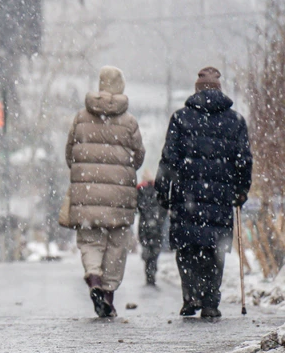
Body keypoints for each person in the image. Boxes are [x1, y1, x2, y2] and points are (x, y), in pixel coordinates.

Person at [155, 67, 251, 319]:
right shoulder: (235, 121)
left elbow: (168, 159)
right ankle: (210, 300)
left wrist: (163, 192)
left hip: (186, 196)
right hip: (220, 198)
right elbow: (243, 160)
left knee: (187, 246)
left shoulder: (180, 118)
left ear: (196, 91)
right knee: (214, 247)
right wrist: (241, 190)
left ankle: (190, 296)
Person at [65, 66, 144, 318]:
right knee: (117, 245)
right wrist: (122, 170)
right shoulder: (129, 122)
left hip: (86, 193)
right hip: (119, 195)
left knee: (90, 241)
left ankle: (94, 280)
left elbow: (70, 153)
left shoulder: (80, 118)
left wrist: (84, 172)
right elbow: (139, 156)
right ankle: (108, 295)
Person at [136, 174, 167, 286]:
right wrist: (160, 219)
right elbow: (163, 208)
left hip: (144, 224)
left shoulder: (140, 190)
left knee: (147, 248)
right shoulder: (159, 190)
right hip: (156, 225)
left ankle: (149, 270)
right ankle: (152, 270)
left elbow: (139, 207)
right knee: (155, 249)